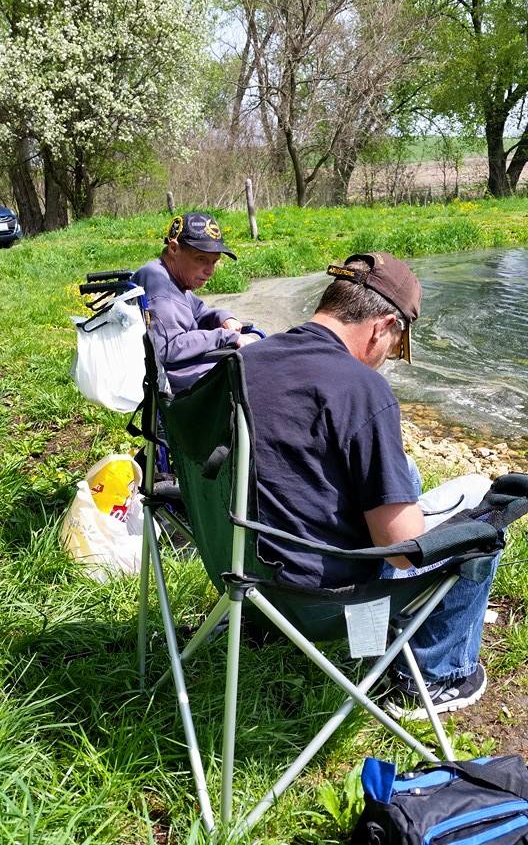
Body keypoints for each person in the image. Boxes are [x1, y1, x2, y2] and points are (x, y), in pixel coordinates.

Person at [240, 251, 496, 719]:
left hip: (247, 577)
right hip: (322, 598)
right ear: (383, 326)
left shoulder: (243, 364)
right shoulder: (359, 389)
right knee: (483, 507)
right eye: (398, 345)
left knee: (407, 476)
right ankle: (438, 678)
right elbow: (401, 551)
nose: (387, 360)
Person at [133, 212, 259, 391]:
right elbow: (169, 347)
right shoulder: (160, 286)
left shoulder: (174, 278)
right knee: (262, 372)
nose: (210, 271)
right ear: (174, 249)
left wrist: (223, 318)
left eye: (214, 262)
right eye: (201, 259)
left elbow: (198, 311)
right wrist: (227, 337)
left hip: (189, 368)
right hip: (181, 382)